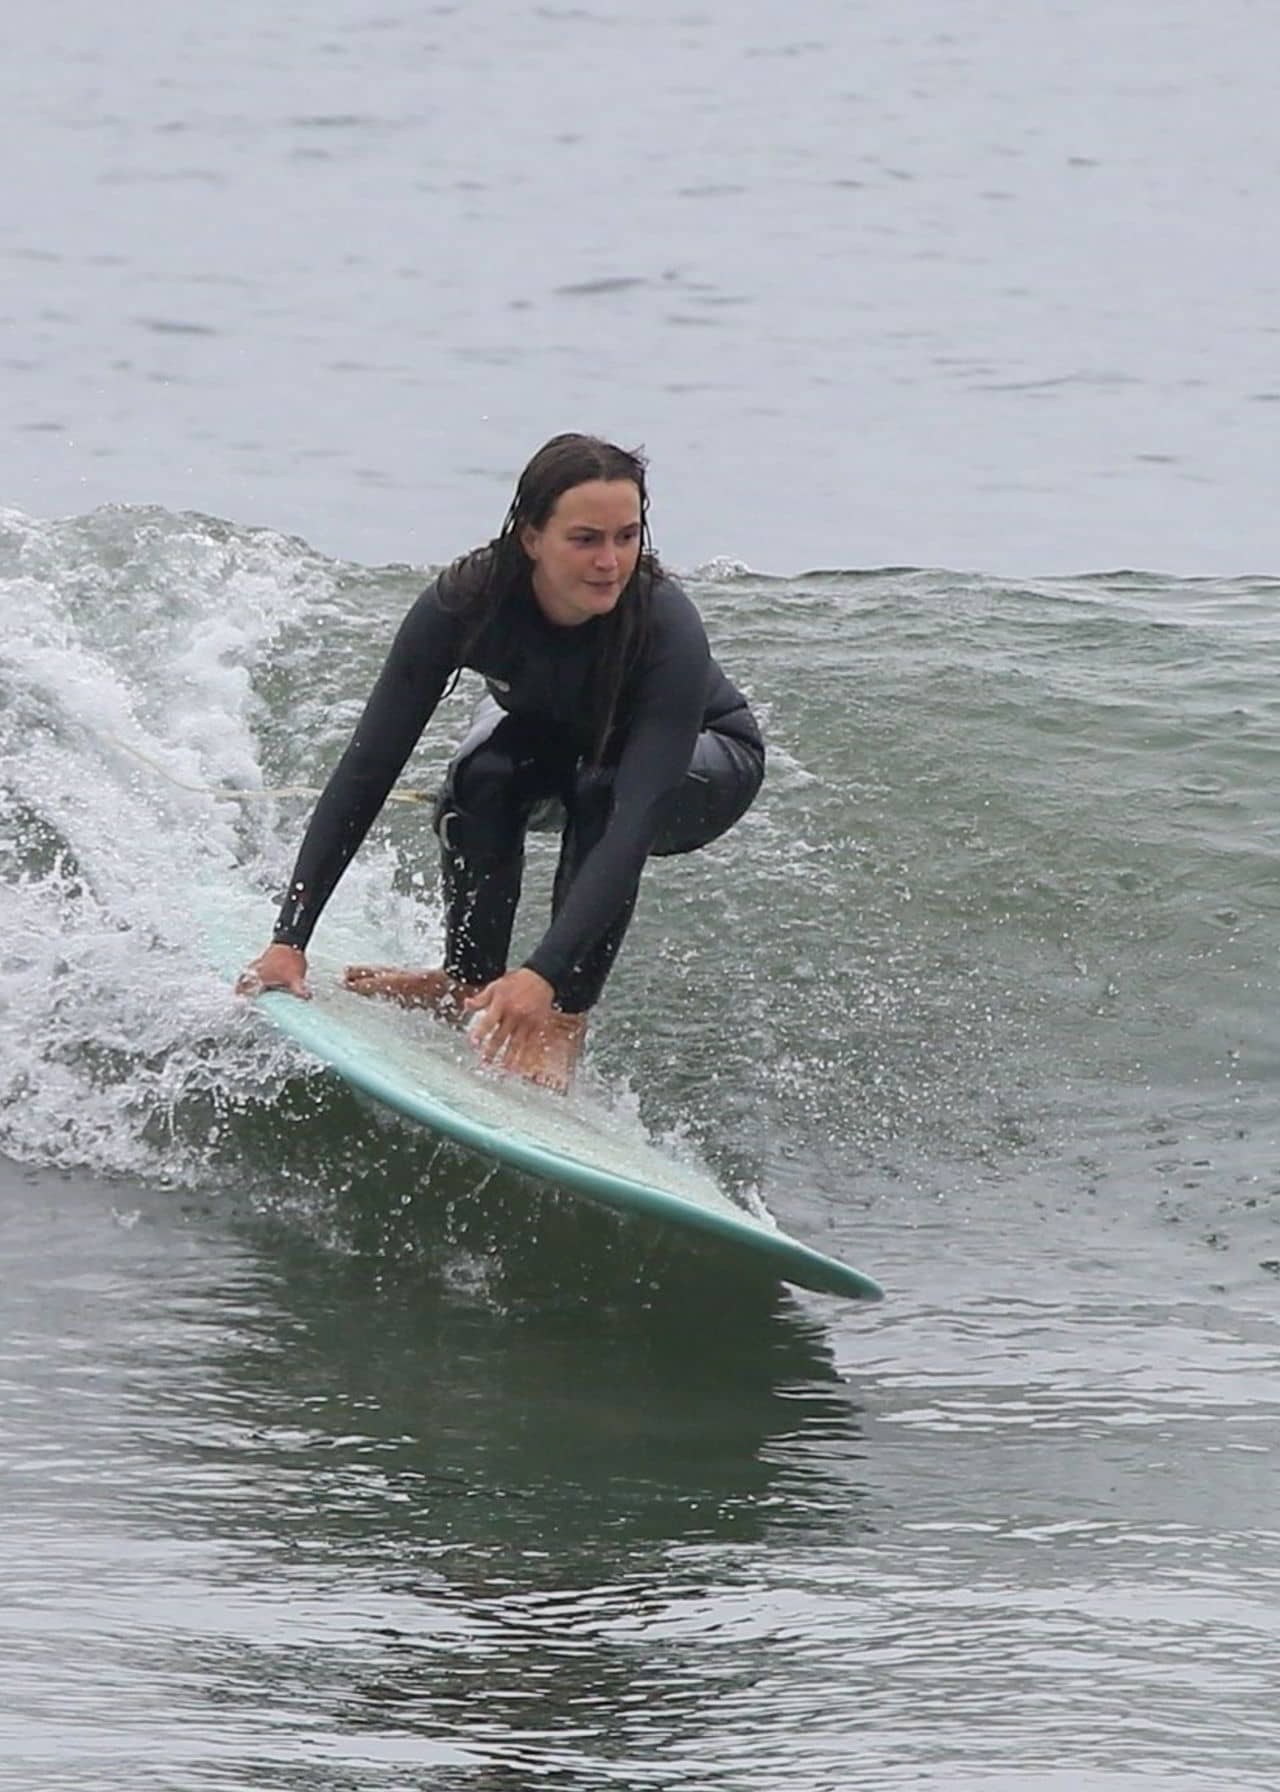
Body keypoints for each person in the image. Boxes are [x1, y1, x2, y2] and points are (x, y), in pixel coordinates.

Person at [237, 433, 765, 1090]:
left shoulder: (661, 622)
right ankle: (467, 981)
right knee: (481, 775)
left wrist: (545, 977)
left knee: (603, 789)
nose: (610, 561)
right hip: (570, 743)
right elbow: (369, 767)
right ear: (531, 537)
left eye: (627, 537)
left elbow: (635, 818)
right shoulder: (468, 603)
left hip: (705, 760)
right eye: (585, 539)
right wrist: (291, 939)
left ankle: (565, 1020)